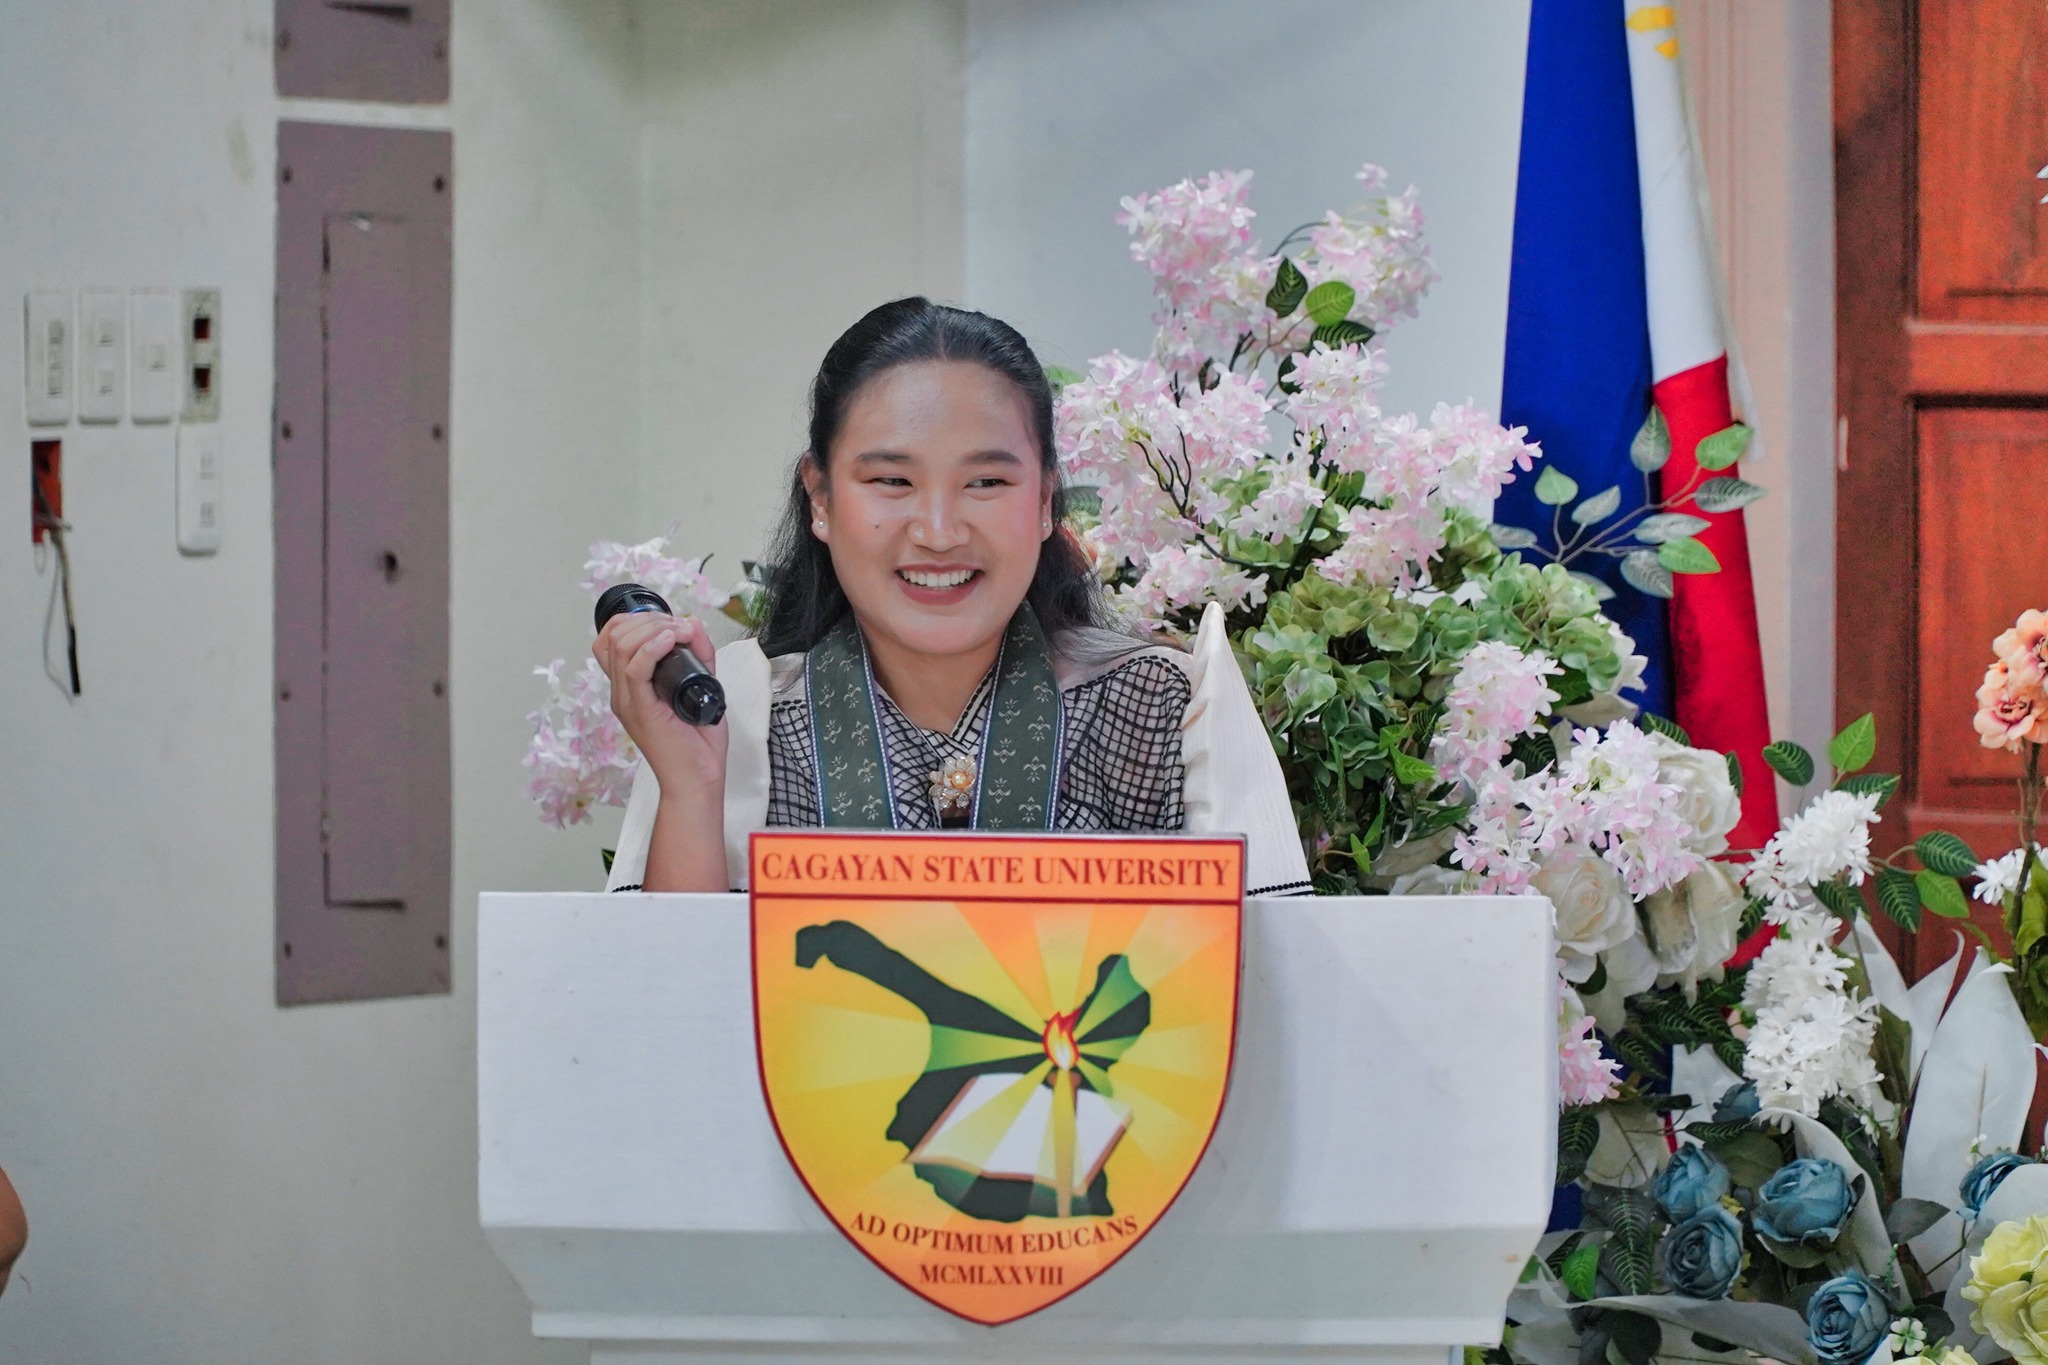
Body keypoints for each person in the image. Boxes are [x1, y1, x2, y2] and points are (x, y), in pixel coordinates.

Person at [596, 297, 1309, 897]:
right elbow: (665, 1005)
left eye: (987, 482)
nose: (938, 532)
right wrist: (692, 787)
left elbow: (1264, 992)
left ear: (1045, 501)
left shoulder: (1167, 707)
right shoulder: (739, 715)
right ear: (820, 498)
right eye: (892, 481)